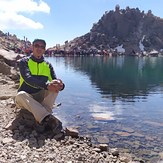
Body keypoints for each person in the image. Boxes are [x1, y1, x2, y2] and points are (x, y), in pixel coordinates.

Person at [15, 39, 65, 135]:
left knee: (54, 89)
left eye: (42, 47)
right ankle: (47, 118)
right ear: (32, 47)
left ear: (44, 49)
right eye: (37, 46)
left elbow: (54, 80)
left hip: (40, 98)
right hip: (26, 99)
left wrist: (60, 86)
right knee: (20, 95)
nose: (39, 48)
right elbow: (27, 78)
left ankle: (41, 119)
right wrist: (46, 86)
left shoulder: (48, 65)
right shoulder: (24, 62)